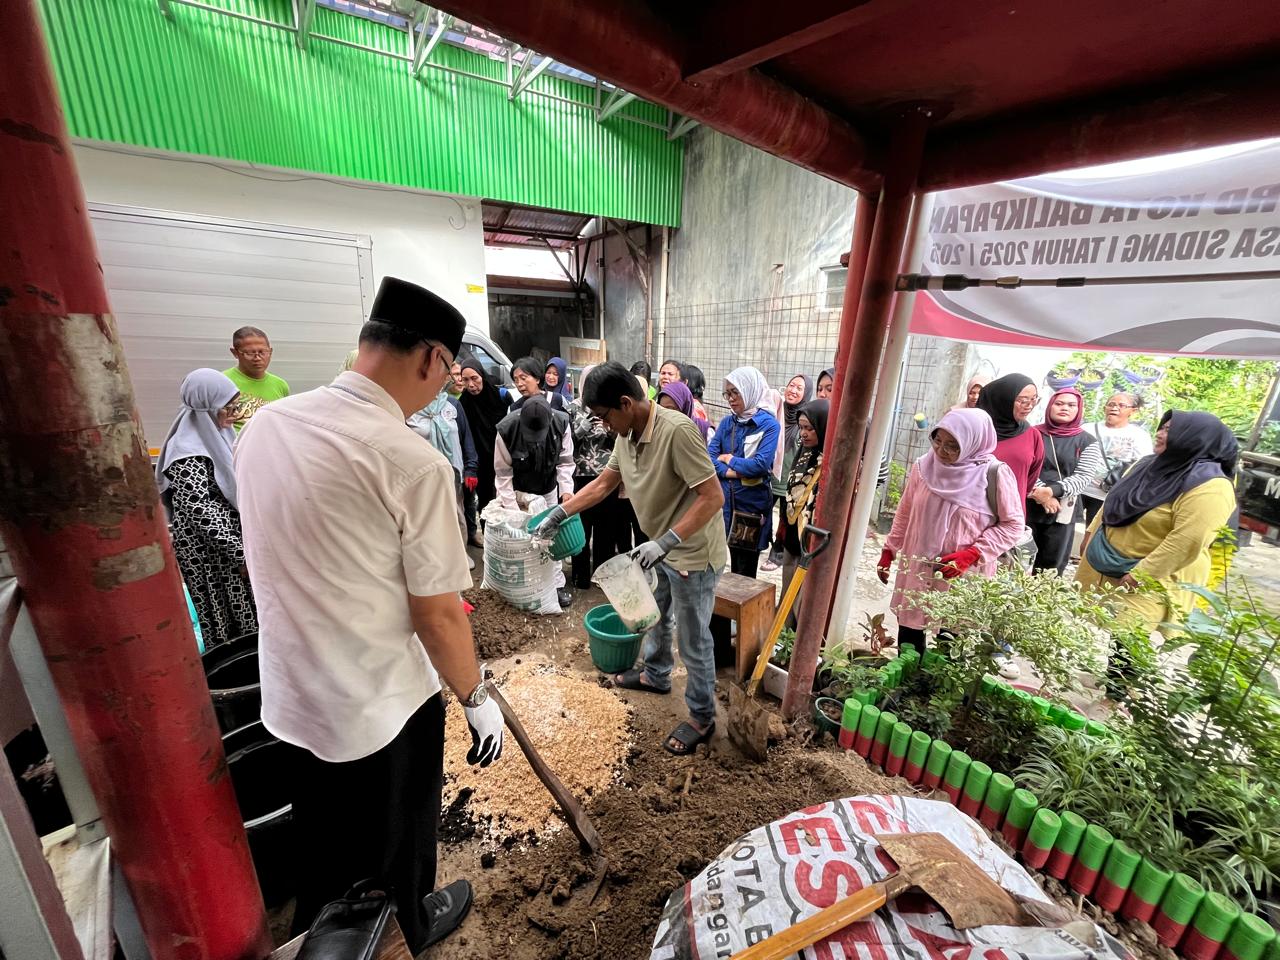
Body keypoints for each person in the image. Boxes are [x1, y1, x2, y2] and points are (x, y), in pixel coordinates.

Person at [234, 276, 503, 954]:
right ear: (433, 359)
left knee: (323, 830)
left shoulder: (267, 424)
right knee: (399, 841)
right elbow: (439, 616)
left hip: (292, 690)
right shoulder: (412, 463)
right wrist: (476, 698)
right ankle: (407, 925)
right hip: (380, 705)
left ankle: (322, 927)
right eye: (449, 369)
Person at [533, 362, 726, 755]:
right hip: (660, 547)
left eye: (604, 416)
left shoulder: (677, 432)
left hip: (692, 553)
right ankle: (656, 674)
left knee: (693, 640)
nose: (603, 425)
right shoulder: (627, 434)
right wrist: (561, 512)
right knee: (654, 615)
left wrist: (667, 541)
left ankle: (702, 717)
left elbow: (713, 497)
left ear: (625, 403)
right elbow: (605, 483)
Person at [877, 409, 1025, 654]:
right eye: (937, 441)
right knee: (910, 636)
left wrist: (973, 554)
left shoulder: (994, 474)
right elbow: (905, 512)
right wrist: (889, 550)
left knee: (951, 645)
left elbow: (1013, 525)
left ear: (973, 443)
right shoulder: (924, 467)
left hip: (962, 575)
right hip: (919, 567)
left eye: (953, 445)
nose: (941, 451)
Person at [1076, 410, 1238, 631]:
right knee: (1086, 627)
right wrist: (1090, 533)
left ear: (1193, 438)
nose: (1160, 433)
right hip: (1105, 559)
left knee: (1127, 642)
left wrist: (1142, 574)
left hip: (1152, 577)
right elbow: (1113, 500)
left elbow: (1188, 540)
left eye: (1170, 430)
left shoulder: (1211, 486)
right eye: (1161, 427)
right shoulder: (1146, 464)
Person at [155, 369, 257, 648]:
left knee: (246, 614)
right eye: (228, 407)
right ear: (207, 407)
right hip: (210, 554)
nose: (234, 414)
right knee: (226, 618)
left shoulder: (218, 436)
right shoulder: (187, 452)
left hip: (229, 548)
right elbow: (200, 511)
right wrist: (240, 554)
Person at [495, 395, 575, 607]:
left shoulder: (561, 423)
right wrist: (514, 510)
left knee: (551, 538)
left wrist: (567, 492)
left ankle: (555, 586)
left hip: (548, 489)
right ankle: (524, 588)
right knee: (520, 540)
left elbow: (566, 462)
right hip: (519, 493)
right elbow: (503, 474)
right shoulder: (506, 428)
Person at [708, 367, 781, 578]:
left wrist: (729, 459)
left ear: (750, 390)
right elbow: (709, 458)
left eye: (735, 392)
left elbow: (760, 465)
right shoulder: (727, 422)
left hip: (751, 509)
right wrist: (732, 473)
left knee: (745, 570)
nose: (731, 399)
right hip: (726, 504)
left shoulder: (768, 425)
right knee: (728, 562)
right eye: (727, 393)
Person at [1027, 388, 1104, 575]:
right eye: (1059, 403)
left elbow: (1084, 476)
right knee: (1017, 558)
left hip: (1062, 511)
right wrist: (1042, 494)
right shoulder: (1032, 433)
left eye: (1071, 405)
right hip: (1027, 504)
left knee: (1050, 567)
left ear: (1078, 409)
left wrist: (1051, 491)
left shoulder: (1087, 441)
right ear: (1050, 406)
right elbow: (1023, 467)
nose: (1065, 408)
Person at [408, 392, 475, 568]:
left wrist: (471, 467)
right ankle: (436, 559)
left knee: (457, 515)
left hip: (452, 471)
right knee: (429, 517)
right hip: (424, 475)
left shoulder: (452, 404)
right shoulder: (410, 406)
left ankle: (460, 555)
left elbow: (466, 438)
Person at [781, 399, 829, 628]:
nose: (804, 433)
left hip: (812, 538)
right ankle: (783, 634)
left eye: (810, 428)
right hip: (793, 533)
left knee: (804, 598)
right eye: (801, 428)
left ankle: (799, 640)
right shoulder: (802, 453)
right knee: (787, 588)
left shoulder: (828, 462)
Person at [1081, 392, 1155, 526]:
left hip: (1108, 496)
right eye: (1111, 404)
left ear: (1132, 411)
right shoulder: (1087, 429)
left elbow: (1142, 467)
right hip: (1078, 490)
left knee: (1092, 532)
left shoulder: (1140, 436)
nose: (1114, 408)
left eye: (1121, 405)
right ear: (1104, 408)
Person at [764, 374, 813, 572]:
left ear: (806, 394)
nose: (792, 390)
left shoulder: (806, 417)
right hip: (770, 476)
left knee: (785, 521)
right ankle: (761, 544)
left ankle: (777, 554)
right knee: (763, 514)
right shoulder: (776, 410)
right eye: (791, 385)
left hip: (790, 480)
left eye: (799, 388)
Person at [975, 373, 1044, 504]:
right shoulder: (975, 431)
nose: (1029, 406)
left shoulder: (1032, 435)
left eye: (1034, 399)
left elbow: (1030, 480)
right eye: (1023, 401)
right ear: (1003, 400)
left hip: (1012, 510)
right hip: (973, 508)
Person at [458, 360, 509, 529]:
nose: (471, 385)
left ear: (482, 376)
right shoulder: (463, 403)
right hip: (479, 461)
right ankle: (488, 535)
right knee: (485, 501)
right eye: (466, 380)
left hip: (503, 457)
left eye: (475, 378)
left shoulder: (500, 397)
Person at [223, 326, 290, 430]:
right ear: (235, 353)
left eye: (263, 352)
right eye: (250, 353)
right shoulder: (222, 382)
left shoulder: (280, 385)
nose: (257, 358)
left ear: (270, 352)